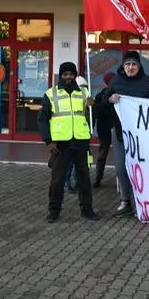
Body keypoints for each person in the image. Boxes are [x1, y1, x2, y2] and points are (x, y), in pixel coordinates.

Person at [38, 61, 98, 222]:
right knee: (57, 179)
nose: (68, 77)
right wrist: (48, 141)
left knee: (84, 178)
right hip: (60, 144)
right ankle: (54, 211)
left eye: (71, 74)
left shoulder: (84, 92)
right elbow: (42, 119)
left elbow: (91, 116)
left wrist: (93, 106)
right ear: (60, 75)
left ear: (75, 75)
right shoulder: (51, 94)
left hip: (80, 141)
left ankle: (87, 209)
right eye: (65, 74)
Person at [103, 51, 149, 217]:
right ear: (123, 66)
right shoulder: (116, 81)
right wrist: (109, 99)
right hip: (120, 132)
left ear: (139, 66)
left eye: (134, 64)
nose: (130, 67)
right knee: (121, 168)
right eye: (127, 64)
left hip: (141, 135)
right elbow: (103, 103)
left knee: (141, 168)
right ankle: (125, 201)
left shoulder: (148, 83)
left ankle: (141, 202)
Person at [92, 72, 116, 188]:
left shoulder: (119, 95)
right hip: (107, 128)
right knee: (103, 155)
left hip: (111, 129)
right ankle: (98, 178)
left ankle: (98, 179)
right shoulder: (101, 96)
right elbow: (98, 113)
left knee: (104, 155)